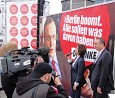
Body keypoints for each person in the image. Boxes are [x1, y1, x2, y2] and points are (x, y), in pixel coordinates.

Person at [43, 16, 71, 94]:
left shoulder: (64, 57)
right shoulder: (41, 62)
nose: (51, 44)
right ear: (43, 40)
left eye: (53, 37)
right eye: (48, 38)